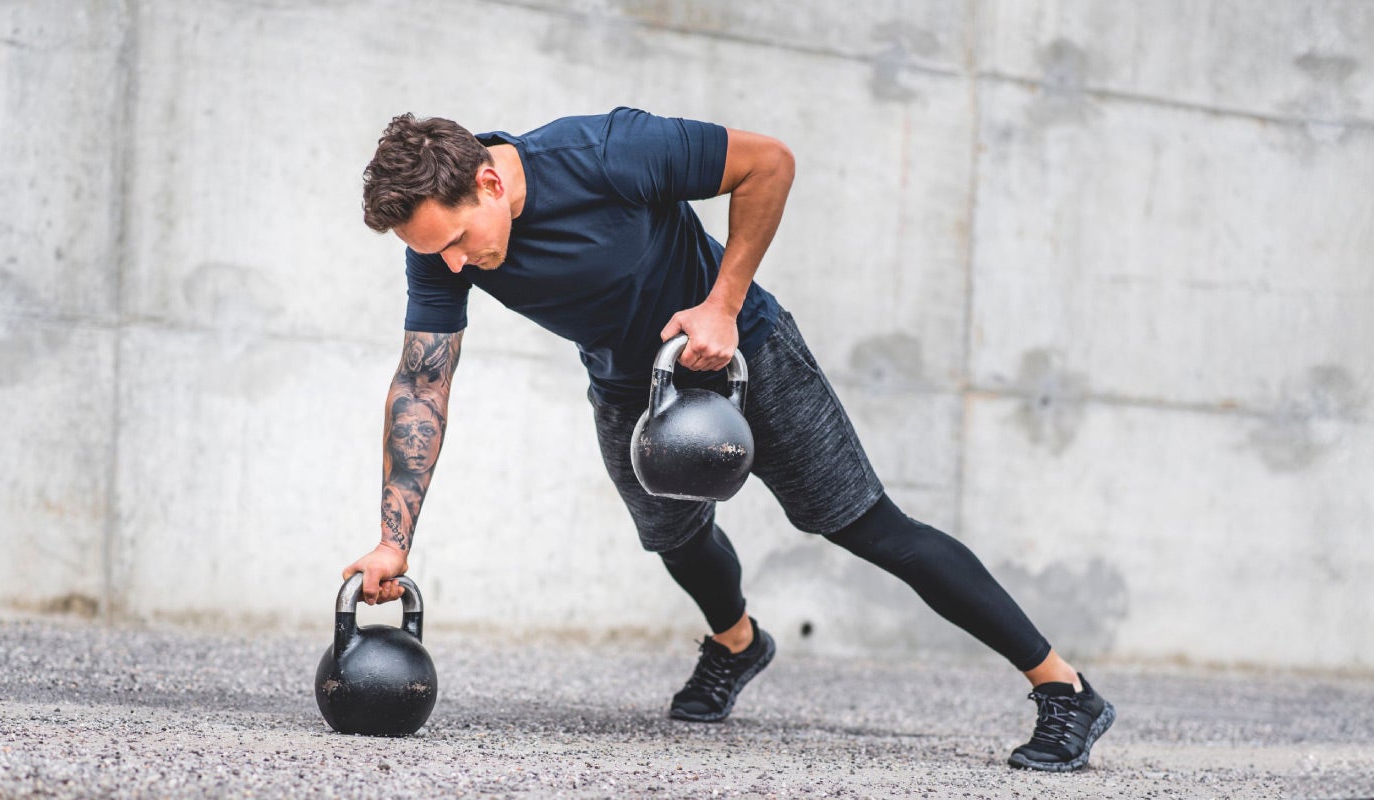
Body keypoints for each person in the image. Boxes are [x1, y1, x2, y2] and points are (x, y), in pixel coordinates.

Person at [338, 108, 1115, 771]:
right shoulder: (436, 250)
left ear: (491, 183)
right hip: (631, 387)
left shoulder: (608, 152)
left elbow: (768, 163)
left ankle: (1064, 689)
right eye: (432, 250)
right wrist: (392, 541)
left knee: (865, 526)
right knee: (673, 537)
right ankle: (738, 643)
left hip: (749, 356)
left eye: (457, 239)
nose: (450, 262)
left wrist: (723, 304)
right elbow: (422, 382)